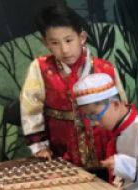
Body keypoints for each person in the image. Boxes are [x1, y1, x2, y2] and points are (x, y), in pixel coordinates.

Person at [20, 4, 126, 170]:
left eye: (69, 40)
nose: (64, 49)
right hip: (61, 150)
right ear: (45, 43)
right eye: (55, 43)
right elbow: (31, 109)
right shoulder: (40, 68)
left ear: (81, 37)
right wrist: (39, 146)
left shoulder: (105, 68)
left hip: (106, 150)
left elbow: (121, 108)